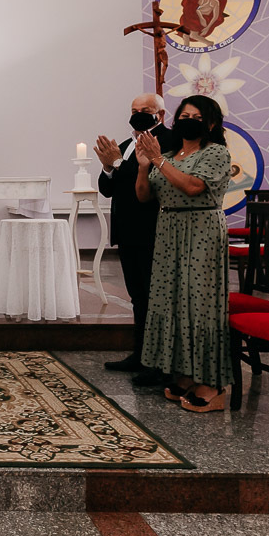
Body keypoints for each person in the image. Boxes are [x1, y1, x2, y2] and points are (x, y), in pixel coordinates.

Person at [134, 94, 233, 413]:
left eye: (196, 116)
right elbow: (144, 195)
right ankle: (187, 374)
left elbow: (193, 187)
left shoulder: (216, 152)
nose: (188, 121)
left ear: (212, 123)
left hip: (201, 231)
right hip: (170, 232)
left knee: (199, 304)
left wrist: (158, 161)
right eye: (184, 115)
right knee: (174, 303)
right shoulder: (171, 153)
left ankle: (213, 383)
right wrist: (143, 166)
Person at [95, 94, 174, 385]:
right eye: (134, 111)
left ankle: (157, 362)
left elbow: (151, 177)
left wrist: (117, 163)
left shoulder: (168, 140)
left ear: (161, 114)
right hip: (127, 231)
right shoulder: (126, 146)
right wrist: (107, 166)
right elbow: (108, 188)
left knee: (154, 298)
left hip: (152, 229)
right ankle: (139, 354)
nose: (138, 115)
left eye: (145, 111)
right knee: (138, 297)